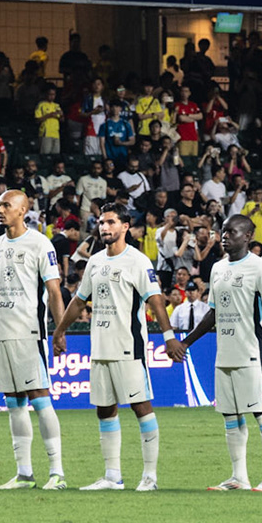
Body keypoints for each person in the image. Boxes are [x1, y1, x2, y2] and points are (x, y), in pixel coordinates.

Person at [54, 202, 186, 490]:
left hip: (128, 346)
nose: (105, 227)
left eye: (111, 222)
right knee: (104, 409)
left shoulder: (138, 261)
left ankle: (149, 477)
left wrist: (168, 337)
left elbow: (155, 301)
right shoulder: (95, 261)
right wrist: (60, 330)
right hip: (100, 346)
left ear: (125, 226)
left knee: (140, 406)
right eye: (102, 222)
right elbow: (79, 301)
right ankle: (112, 476)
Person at [0, 189, 68, 489]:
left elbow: (54, 291)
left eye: (7, 205)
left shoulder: (39, 243)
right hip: (1, 332)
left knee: (40, 398)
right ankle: (24, 474)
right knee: (14, 402)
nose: (0, 209)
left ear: (22, 210)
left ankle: (57, 472)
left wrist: (59, 330)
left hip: (29, 332)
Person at [176, 214, 262, 491]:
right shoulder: (218, 268)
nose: (224, 236)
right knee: (230, 415)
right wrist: (186, 342)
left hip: (252, 351)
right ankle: (239, 477)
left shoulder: (260, 267)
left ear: (248, 236)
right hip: (225, 353)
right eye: (223, 231)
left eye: (231, 232)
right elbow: (213, 313)